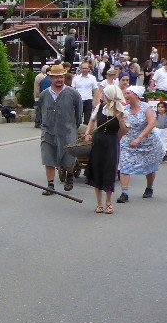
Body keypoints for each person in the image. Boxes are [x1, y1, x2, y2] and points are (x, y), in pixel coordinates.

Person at [35, 63, 83, 195]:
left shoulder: (73, 94)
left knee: (68, 158)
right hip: (48, 131)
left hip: (67, 131)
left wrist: (73, 127)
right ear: (51, 78)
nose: (59, 80)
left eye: (61, 77)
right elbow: (40, 112)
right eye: (56, 77)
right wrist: (43, 124)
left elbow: (79, 114)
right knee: (48, 158)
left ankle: (69, 174)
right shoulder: (44, 94)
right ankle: (50, 185)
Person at [83, 84, 126, 214]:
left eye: (105, 95)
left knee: (109, 170)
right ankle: (99, 203)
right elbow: (92, 120)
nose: (103, 96)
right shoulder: (100, 107)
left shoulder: (121, 110)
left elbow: (124, 131)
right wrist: (87, 133)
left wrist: (120, 120)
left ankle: (108, 202)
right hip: (98, 140)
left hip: (111, 142)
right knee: (97, 170)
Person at [116, 85, 158, 202]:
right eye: (125, 93)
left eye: (128, 93)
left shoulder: (146, 108)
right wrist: (120, 120)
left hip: (147, 142)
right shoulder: (125, 109)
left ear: (136, 95)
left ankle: (149, 187)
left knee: (149, 167)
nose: (125, 95)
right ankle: (124, 193)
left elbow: (152, 123)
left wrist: (139, 138)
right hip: (128, 142)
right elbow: (121, 126)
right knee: (125, 165)